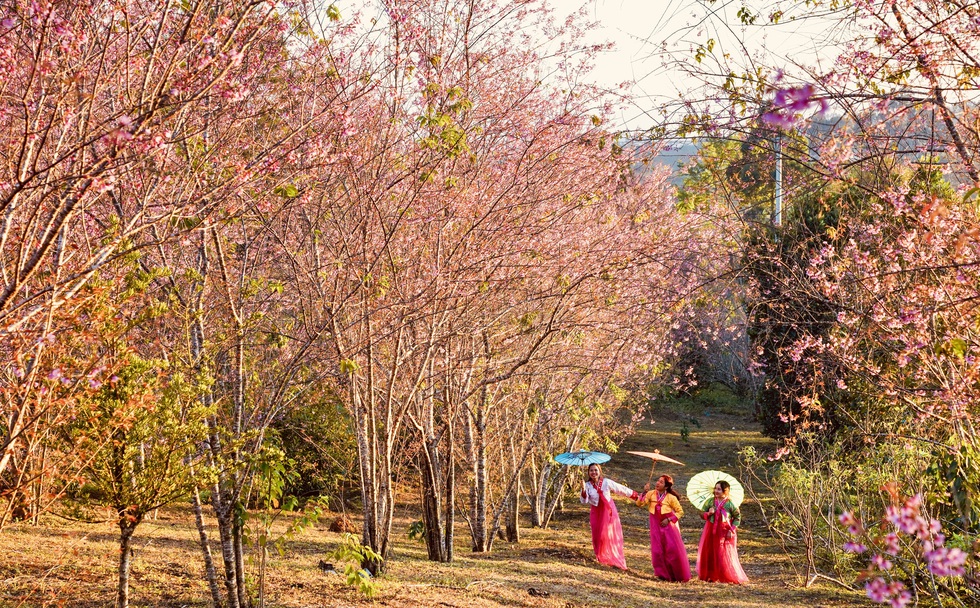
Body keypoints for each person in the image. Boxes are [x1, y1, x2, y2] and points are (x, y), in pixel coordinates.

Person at [580, 463, 639, 570]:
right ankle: (601, 556)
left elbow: (620, 489)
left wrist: (635, 495)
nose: (593, 472)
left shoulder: (606, 482)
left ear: (599, 471)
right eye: (591, 470)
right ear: (588, 472)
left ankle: (613, 557)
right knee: (597, 535)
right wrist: (583, 490)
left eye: (595, 470)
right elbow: (584, 501)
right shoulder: (587, 485)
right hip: (596, 511)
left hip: (608, 510)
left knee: (609, 534)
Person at [636, 474, 691, 581]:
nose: (657, 483)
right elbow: (640, 504)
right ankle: (662, 574)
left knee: (671, 549)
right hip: (655, 524)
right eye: (658, 481)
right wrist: (644, 492)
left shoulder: (671, 498)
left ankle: (677, 574)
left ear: (666, 487)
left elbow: (680, 512)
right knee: (658, 549)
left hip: (668, 526)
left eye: (661, 482)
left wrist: (669, 519)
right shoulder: (651, 493)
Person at [696, 479, 749, 584]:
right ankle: (710, 575)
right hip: (710, 529)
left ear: (725, 491)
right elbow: (702, 513)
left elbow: (737, 517)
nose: (716, 491)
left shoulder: (730, 504)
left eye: (719, 489)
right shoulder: (710, 501)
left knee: (722, 552)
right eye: (715, 488)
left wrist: (732, 530)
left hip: (724, 530)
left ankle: (725, 575)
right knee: (709, 550)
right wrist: (708, 513)